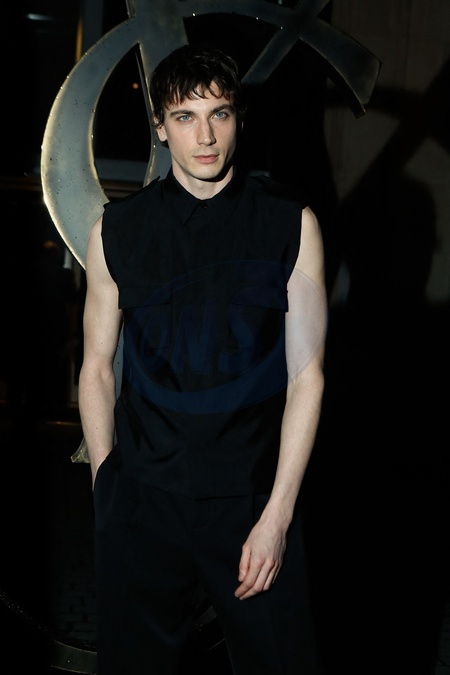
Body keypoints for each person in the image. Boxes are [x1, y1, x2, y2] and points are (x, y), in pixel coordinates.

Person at [78, 43, 327, 675]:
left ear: (239, 117)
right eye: (185, 117)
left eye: (219, 114)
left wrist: (278, 516)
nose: (206, 136)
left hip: (251, 502)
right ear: (161, 128)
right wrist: (107, 484)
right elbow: (97, 367)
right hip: (144, 502)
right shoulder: (117, 230)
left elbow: (308, 376)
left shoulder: (290, 224)